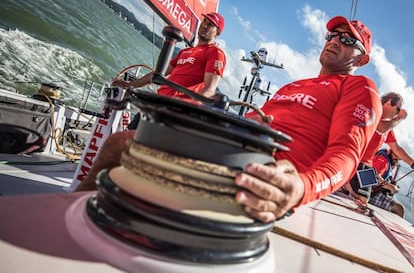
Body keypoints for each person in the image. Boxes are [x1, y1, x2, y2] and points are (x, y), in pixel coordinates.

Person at [233, 16, 382, 222]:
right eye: (332, 35)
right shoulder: (293, 86)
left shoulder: (359, 87)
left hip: (265, 182)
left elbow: (346, 155)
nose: (334, 41)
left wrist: (303, 187)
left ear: (361, 59)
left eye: (348, 39)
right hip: (229, 151)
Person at [75, 12, 226, 191]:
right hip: (153, 106)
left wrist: (183, 112)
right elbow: (157, 75)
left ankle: (92, 193)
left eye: (211, 24)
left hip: (170, 113)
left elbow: (209, 90)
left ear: (217, 32)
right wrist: (130, 84)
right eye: (205, 21)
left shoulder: (215, 53)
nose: (205, 25)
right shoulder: (186, 51)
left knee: (119, 146)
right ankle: (109, 190)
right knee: (125, 149)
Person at [342, 92, 414, 205]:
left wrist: (412, 163)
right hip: (355, 158)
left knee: (365, 199)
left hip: (367, 165)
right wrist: (400, 118)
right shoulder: (373, 112)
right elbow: (381, 128)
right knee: (360, 198)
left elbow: (396, 149)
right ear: (390, 102)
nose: (397, 113)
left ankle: (347, 186)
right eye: (397, 109)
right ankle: (347, 184)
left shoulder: (388, 127)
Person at [368, 148, 404, 217]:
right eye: (396, 156)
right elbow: (374, 177)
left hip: (373, 192)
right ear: (390, 153)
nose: (397, 160)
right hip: (369, 194)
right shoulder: (383, 161)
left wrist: (392, 183)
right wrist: (392, 188)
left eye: (399, 159)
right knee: (399, 209)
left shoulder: (387, 162)